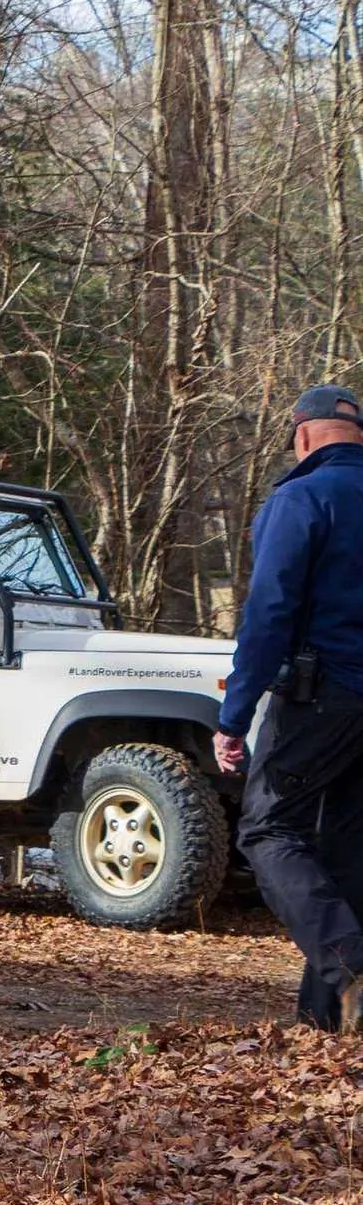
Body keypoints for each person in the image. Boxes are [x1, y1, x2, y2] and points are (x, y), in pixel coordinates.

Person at [215, 384, 363, 1030]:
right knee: (345, 852)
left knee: (268, 830)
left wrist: (234, 715)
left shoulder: (301, 497)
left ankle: (352, 970)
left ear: (303, 437)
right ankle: (326, 1025)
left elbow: (269, 611)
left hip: (323, 696)